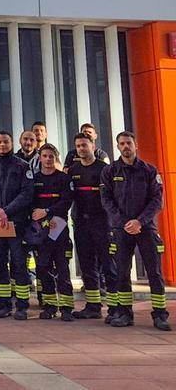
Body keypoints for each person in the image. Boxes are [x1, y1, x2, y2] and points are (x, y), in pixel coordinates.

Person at [101, 131, 169, 331]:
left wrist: (140, 221)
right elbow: (106, 201)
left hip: (146, 228)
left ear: (136, 145)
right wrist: (123, 222)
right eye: (121, 143)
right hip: (121, 230)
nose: (125, 147)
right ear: (117, 147)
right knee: (122, 273)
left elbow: (157, 200)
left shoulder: (149, 170)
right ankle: (124, 313)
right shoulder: (110, 171)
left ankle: (160, 315)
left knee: (154, 273)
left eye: (128, 143)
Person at [0, 131, 34, 320]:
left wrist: (6, 211)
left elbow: (27, 194)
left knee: (19, 264)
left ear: (11, 143)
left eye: (6, 141)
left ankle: (22, 305)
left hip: (16, 223)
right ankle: (3, 303)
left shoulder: (22, 166)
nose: (2, 145)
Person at [66, 133, 116, 320]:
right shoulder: (73, 170)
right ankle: (93, 306)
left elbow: (112, 198)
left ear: (93, 146)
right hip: (81, 224)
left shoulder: (105, 169)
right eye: (78, 146)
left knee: (109, 266)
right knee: (87, 266)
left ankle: (115, 307)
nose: (81, 149)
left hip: (102, 224)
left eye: (84, 145)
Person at [32, 144, 75, 321]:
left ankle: (66, 308)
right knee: (43, 268)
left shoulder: (64, 179)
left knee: (63, 269)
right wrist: (40, 217)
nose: (48, 159)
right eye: (45, 156)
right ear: (40, 158)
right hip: (42, 232)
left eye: (51, 156)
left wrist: (48, 212)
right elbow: (31, 203)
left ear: (56, 158)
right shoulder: (34, 179)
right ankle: (49, 306)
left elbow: (66, 202)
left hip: (60, 230)